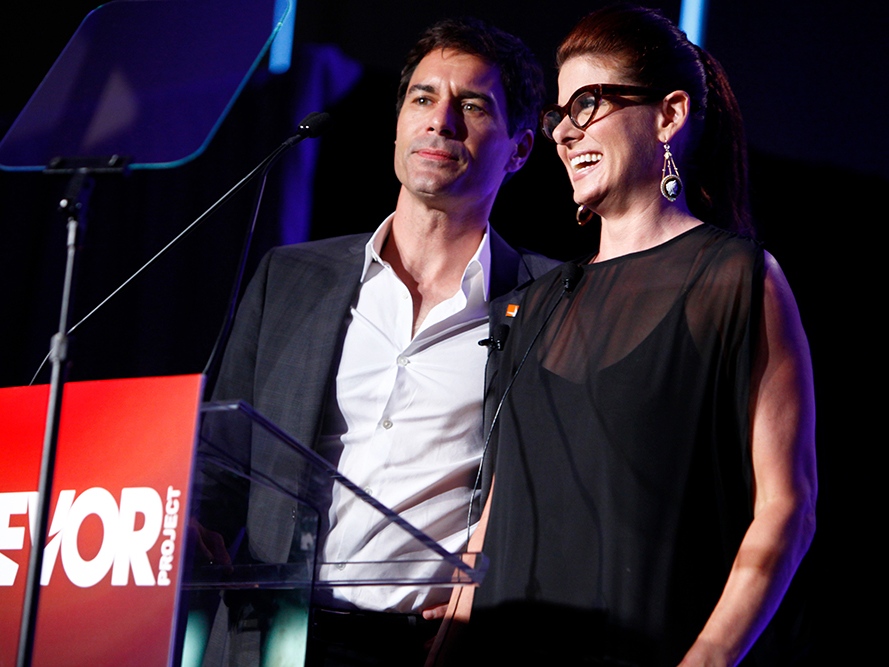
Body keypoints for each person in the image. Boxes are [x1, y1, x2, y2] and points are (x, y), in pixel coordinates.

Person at [431, 6, 816, 667]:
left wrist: (710, 655)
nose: (564, 133)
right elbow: (492, 518)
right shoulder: (533, 304)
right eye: (559, 114)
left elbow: (789, 504)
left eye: (589, 104)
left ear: (668, 115)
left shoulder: (733, 278)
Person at [207, 17, 557, 666]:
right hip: (271, 638)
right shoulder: (290, 278)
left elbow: (559, 494)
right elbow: (217, 468)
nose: (440, 121)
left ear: (519, 148)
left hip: (427, 649)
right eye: (423, 98)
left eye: (472, 105)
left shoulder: (550, 301)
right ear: (398, 121)